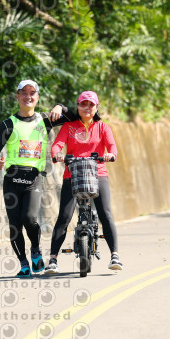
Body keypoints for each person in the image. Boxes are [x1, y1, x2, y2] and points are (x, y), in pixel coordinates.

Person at [0, 80, 79, 278]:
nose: (28, 96)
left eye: (32, 93)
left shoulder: (45, 120)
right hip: (12, 179)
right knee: (15, 226)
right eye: (24, 93)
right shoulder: (8, 124)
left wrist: (60, 107)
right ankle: (23, 264)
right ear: (17, 96)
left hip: (34, 178)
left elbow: (75, 117)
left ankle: (36, 250)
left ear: (37, 97)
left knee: (29, 218)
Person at [45, 90, 122, 274]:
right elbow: (57, 145)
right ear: (78, 106)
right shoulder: (69, 127)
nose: (87, 108)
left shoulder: (103, 127)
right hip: (72, 174)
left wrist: (110, 155)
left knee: (105, 213)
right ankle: (53, 260)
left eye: (91, 104)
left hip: (98, 173)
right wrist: (57, 154)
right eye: (83, 104)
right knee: (64, 216)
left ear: (96, 107)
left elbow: (112, 147)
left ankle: (115, 255)